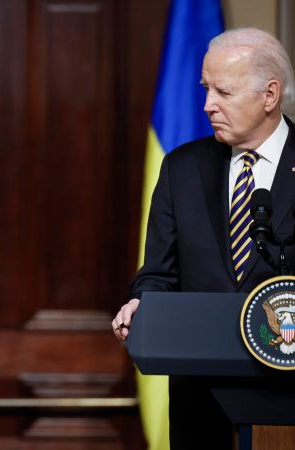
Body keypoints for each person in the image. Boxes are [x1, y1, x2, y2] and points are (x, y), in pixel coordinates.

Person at [112, 28, 295, 449]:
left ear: (269, 95)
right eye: (205, 88)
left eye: (223, 92)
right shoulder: (182, 168)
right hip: (200, 400)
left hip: (285, 397)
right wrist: (143, 303)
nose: (208, 104)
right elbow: (158, 274)